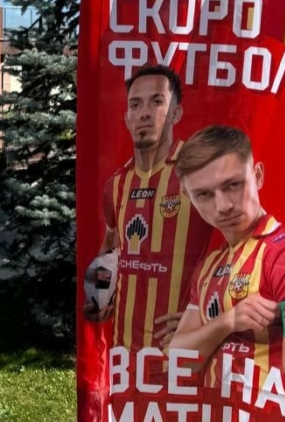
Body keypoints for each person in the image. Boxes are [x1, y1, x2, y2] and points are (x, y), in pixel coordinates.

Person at [171, 125, 285, 415]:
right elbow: (179, 359)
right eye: (204, 194)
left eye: (233, 185)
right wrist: (228, 321)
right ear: (189, 197)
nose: (223, 206)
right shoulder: (209, 266)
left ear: (258, 176)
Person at [90, 64, 214, 355]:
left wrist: (208, 315)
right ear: (127, 118)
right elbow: (110, 246)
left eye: (157, 101)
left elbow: (243, 247)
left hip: (183, 353)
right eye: (135, 105)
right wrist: (100, 295)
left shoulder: (201, 172)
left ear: (176, 113)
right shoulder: (116, 185)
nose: (144, 113)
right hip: (125, 354)